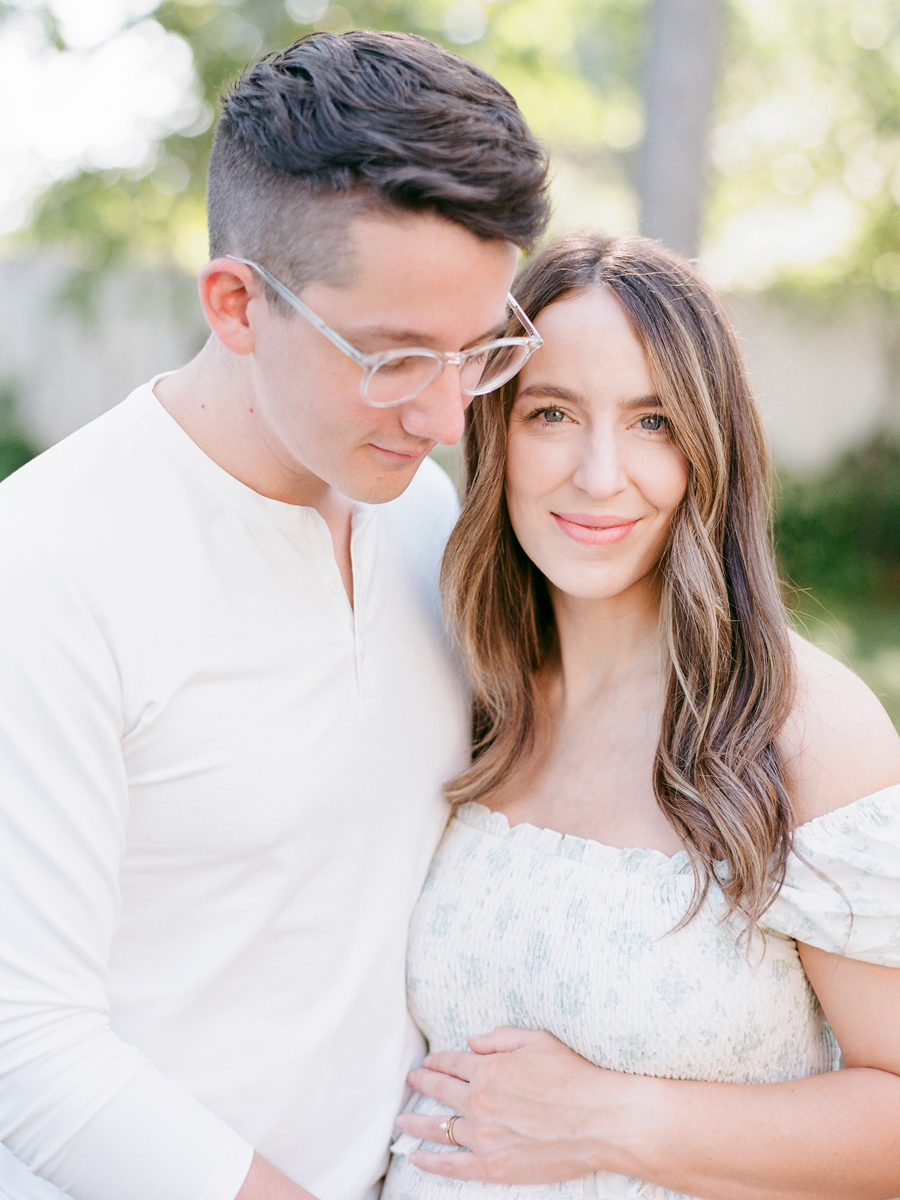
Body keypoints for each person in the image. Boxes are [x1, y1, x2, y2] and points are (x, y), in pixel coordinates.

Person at [0, 30, 550, 1200]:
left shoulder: (419, 512)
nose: (447, 415)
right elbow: (26, 1049)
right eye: (397, 358)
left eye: (479, 351)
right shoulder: (45, 566)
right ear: (239, 304)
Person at [384, 231, 900, 1200]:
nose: (598, 473)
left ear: (710, 446)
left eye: (653, 421)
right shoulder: (471, 699)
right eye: (552, 414)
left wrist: (606, 1121)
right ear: (494, 431)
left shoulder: (803, 729)